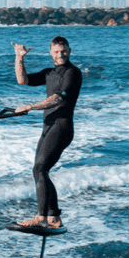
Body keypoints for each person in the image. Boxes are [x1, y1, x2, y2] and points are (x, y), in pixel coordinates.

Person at [10, 37, 81, 229]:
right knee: (39, 170)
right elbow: (22, 80)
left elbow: (58, 99)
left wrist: (29, 106)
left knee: (40, 168)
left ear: (70, 50)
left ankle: (41, 217)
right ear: (51, 53)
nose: (60, 55)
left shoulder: (73, 73)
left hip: (62, 127)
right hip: (49, 127)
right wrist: (19, 58)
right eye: (56, 52)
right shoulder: (49, 73)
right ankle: (53, 217)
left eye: (63, 51)